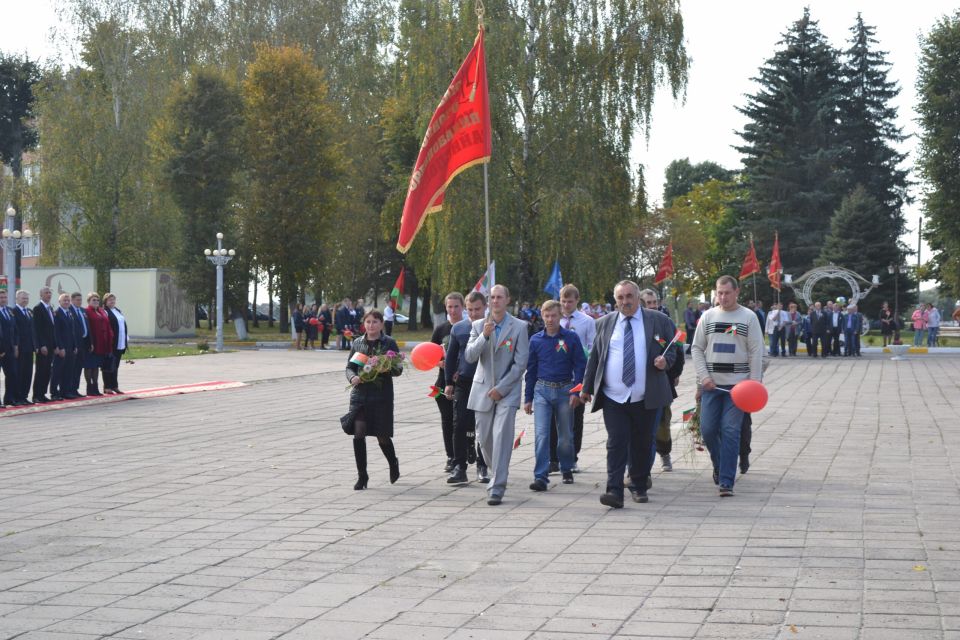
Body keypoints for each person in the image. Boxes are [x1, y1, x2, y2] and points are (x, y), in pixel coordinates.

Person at [580, 280, 677, 508]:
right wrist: (586, 387)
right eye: (620, 298)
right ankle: (614, 491)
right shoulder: (605, 323)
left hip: (646, 396)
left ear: (637, 297)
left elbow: (672, 348)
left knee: (642, 443)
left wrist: (665, 361)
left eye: (629, 296)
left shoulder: (658, 321)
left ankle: (639, 485)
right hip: (614, 396)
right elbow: (595, 357)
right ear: (616, 301)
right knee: (616, 442)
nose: (625, 301)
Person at [691, 275, 764, 497]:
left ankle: (726, 481)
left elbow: (756, 351)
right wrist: (703, 377)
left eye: (727, 293)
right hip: (711, 386)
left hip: (738, 388)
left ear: (737, 292)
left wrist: (754, 383)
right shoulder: (708, 316)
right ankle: (719, 464)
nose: (723, 297)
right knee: (708, 430)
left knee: (730, 430)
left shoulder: (748, 317)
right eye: (719, 293)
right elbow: (696, 348)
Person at [465, 284, 529, 506]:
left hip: (507, 391)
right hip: (482, 389)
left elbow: (520, 363)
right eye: (492, 297)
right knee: (484, 439)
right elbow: (470, 356)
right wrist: (484, 336)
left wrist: (501, 389)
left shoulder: (519, 326)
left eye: (500, 297)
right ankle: (498, 471)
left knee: (502, 436)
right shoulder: (478, 325)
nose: (495, 301)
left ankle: (497, 486)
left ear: (507, 300)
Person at [523, 300, 586, 490]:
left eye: (554, 316)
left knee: (565, 436)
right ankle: (541, 477)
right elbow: (531, 370)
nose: (550, 319)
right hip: (542, 390)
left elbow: (580, 365)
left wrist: (576, 390)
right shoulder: (536, 340)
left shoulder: (571, 338)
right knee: (542, 435)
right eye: (546, 316)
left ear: (560, 316)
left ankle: (566, 467)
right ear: (542, 316)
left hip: (565, 390)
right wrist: (528, 398)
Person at [344, 310, 403, 489]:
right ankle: (362, 476)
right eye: (368, 322)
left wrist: (386, 367)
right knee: (359, 431)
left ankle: (393, 462)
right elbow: (349, 367)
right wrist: (352, 377)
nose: (371, 325)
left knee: (382, 435)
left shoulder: (388, 343)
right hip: (360, 394)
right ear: (364, 324)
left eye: (375, 322)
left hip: (381, 395)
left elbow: (398, 369)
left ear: (381, 324)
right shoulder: (358, 343)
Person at [549, 284, 596, 474]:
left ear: (577, 301)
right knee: (554, 419)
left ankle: (572, 457)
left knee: (575, 419)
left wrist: (587, 379)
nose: (566, 305)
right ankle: (553, 459)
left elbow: (592, 348)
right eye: (563, 301)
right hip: (557, 375)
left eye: (570, 301)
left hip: (577, 377)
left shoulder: (587, 321)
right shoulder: (554, 319)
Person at [444, 291, 489, 485]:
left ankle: (483, 465)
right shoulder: (459, 328)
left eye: (477, 309)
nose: (473, 314)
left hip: (486, 382)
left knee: (483, 425)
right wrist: (448, 382)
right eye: (470, 310)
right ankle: (459, 467)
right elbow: (451, 357)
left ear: (485, 307)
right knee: (459, 423)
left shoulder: (491, 326)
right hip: (464, 381)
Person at [639, 288, 684, 475]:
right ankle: (641, 465)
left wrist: (673, 372)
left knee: (663, 424)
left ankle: (664, 453)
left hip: (662, 382)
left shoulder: (666, 322)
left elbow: (677, 351)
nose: (652, 306)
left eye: (654, 302)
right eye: (648, 303)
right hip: (639, 384)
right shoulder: (635, 323)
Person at [432, 293, 464, 472]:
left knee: (463, 421)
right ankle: (451, 456)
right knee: (447, 420)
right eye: (449, 307)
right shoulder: (441, 329)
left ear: (462, 307)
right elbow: (430, 353)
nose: (453, 310)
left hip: (463, 382)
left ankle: (467, 450)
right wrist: (439, 362)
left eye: (456, 306)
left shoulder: (468, 327)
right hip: (443, 382)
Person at [84, 292, 114, 397]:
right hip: (92, 343)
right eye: (93, 300)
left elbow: (107, 325)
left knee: (96, 366)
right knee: (89, 366)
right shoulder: (86, 311)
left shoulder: (101, 311)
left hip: (102, 343)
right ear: (88, 301)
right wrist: (90, 342)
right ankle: (89, 387)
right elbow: (87, 328)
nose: (96, 302)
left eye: (97, 300)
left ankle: (95, 387)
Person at [31, 287, 56, 402]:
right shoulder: (38, 308)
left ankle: (43, 394)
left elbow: (53, 328)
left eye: (50, 293)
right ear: (41, 295)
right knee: (41, 370)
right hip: (43, 346)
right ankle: (36, 395)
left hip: (51, 345)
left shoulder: (50, 308)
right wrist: (41, 345)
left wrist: (55, 345)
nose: (49, 295)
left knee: (47, 371)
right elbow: (37, 329)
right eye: (46, 293)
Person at [51, 293, 77, 401]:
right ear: (59, 302)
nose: (66, 302)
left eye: (68, 300)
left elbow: (72, 331)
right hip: (62, 347)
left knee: (68, 371)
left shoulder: (69, 312)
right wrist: (60, 347)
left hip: (70, 347)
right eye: (64, 300)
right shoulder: (57, 313)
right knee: (57, 372)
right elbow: (56, 332)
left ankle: (65, 392)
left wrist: (75, 346)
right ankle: (54, 393)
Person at [102, 293, 129, 394]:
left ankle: (114, 386)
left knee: (115, 366)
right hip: (111, 343)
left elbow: (122, 325)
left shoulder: (117, 311)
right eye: (110, 300)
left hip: (120, 342)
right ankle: (107, 386)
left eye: (113, 300)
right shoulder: (105, 312)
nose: (112, 301)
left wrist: (126, 338)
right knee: (108, 365)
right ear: (105, 301)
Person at [11, 290, 32, 405]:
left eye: (27, 298)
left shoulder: (29, 311)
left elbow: (33, 330)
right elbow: (15, 330)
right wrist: (16, 346)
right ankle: (17, 397)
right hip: (20, 347)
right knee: (19, 372)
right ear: (17, 299)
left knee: (28, 373)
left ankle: (24, 396)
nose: (25, 300)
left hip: (29, 347)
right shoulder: (13, 311)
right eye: (23, 298)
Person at [0, 291, 19, 407]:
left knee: (12, 374)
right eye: (1, 297)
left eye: (5, 297)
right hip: (0, 349)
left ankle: (9, 398)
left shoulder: (10, 310)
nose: (3, 299)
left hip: (10, 349)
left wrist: (16, 345)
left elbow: (15, 329)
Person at [69, 293, 89, 398]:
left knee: (78, 367)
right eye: (77, 300)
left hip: (83, 342)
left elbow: (87, 326)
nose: (79, 302)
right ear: (72, 300)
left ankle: (75, 389)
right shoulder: (69, 310)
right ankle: (70, 389)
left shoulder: (83, 310)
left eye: (80, 300)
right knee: (72, 367)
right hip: (75, 343)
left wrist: (90, 342)